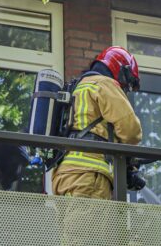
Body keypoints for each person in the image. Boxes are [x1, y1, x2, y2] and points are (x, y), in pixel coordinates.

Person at [52, 46, 142, 199]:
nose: (126, 89)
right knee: (91, 223)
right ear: (122, 71)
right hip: (89, 174)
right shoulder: (104, 84)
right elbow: (131, 132)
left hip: (64, 175)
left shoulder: (77, 86)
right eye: (128, 84)